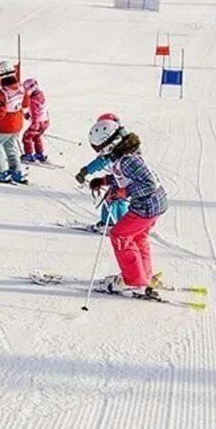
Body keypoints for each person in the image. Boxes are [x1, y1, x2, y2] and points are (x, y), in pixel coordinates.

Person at [75, 118, 169, 296]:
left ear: (111, 144)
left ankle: (133, 281)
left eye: (99, 147)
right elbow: (124, 177)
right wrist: (103, 180)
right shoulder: (122, 158)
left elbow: (149, 183)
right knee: (138, 237)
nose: (99, 152)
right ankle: (144, 276)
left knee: (119, 235)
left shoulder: (127, 160)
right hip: (155, 203)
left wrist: (123, 193)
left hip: (146, 206)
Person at [20, 78, 50, 163]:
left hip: (38, 123)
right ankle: (39, 153)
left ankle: (29, 154)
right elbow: (39, 110)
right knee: (36, 136)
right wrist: (29, 115)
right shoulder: (40, 94)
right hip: (45, 121)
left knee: (27, 137)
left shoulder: (33, 100)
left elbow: (36, 113)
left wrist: (34, 123)